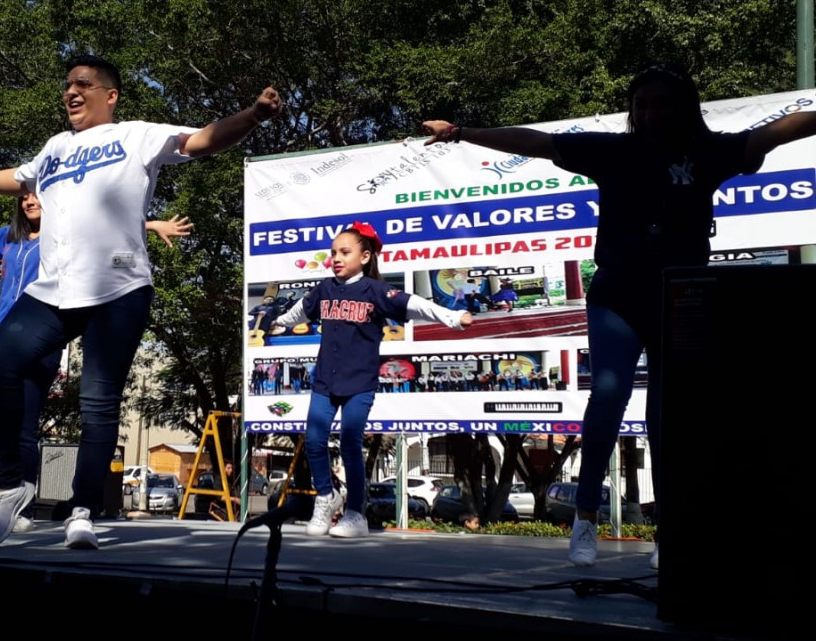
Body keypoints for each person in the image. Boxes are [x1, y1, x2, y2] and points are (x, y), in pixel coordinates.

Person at [422, 60, 816, 569]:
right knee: (608, 394)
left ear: (684, 108)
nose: (651, 112)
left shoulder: (708, 151)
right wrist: (462, 133)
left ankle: (668, 530)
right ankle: (585, 517)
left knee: (668, 414)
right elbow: (537, 143)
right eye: (643, 103)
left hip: (681, 297)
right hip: (618, 293)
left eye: (663, 102)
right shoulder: (614, 151)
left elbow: (775, 132)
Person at [0, 53, 281, 549]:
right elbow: (18, 177)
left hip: (118, 289)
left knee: (98, 402)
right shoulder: (55, 147)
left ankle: (81, 510)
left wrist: (252, 116)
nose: (70, 92)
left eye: (82, 84)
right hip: (53, 290)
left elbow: (200, 140)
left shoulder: (134, 134)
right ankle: (9, 486)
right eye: (67, 86)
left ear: (110, 95)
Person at [0, 192, 191, 535]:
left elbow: (107, 228)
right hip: (1, 340)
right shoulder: (8, 237)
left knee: (22, 429)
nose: (29, 201)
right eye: (24, 197)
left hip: (42, 338)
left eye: (36, 196)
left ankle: (21, 506)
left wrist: (151, 224)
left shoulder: (65, 234)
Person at [271, 222, 471, 538]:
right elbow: (300, 310)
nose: (336, 258)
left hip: (359, 384)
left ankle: (355, 516)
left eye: (344, 252)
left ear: (365, 257)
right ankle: (326, 496)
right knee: (313, 440)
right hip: (324, 381)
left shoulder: (375, 291)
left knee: (351, 441)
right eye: (333, 252)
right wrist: (280, 322)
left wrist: (453, 318)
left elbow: (414, 304)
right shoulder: (325, 289)